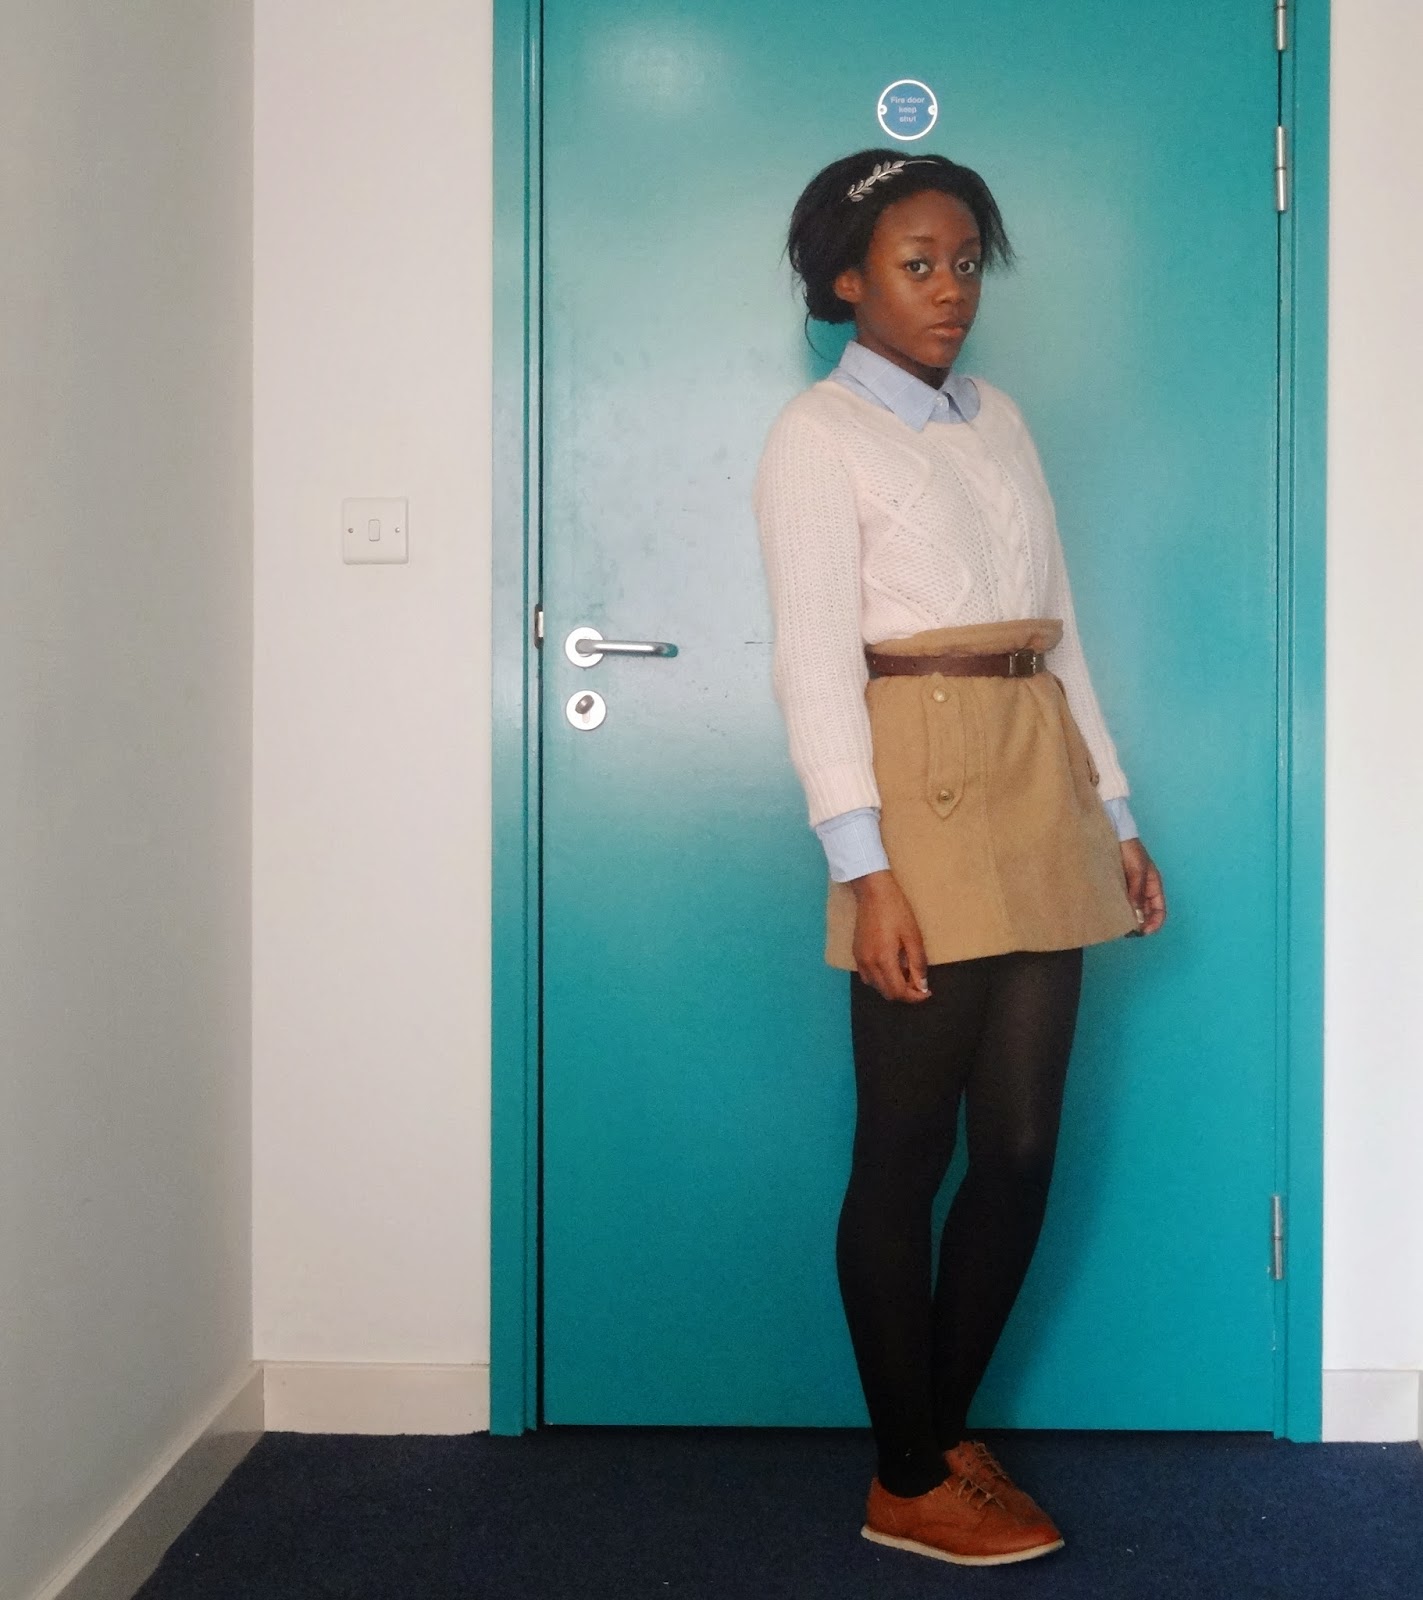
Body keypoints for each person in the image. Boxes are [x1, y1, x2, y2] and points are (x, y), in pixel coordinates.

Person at [753, 148, 1167, 1568]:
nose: (951, 290)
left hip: (1037, 763)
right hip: (914, 785)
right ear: (845, 281)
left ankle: (940, 1431)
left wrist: (1116, 812)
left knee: (1025, 1145)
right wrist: (862, 867)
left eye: (967, 263)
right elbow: (814, 665)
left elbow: (1062, 629)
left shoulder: (1002, 421)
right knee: (907, 1145)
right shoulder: (817, 435)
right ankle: (905, 1476)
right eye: (917, 264)